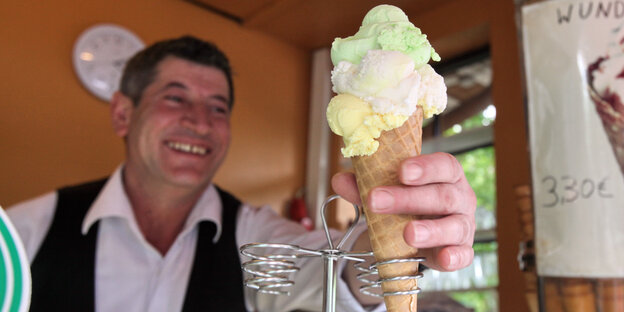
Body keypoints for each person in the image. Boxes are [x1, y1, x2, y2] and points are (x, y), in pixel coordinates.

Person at [6, 36, 476, 312]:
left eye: (217, 107)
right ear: (123, 115)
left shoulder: (253, 232)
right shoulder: (26, 232)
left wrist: (401, 234)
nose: (200, 121)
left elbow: (332, 270)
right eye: (175, 98)